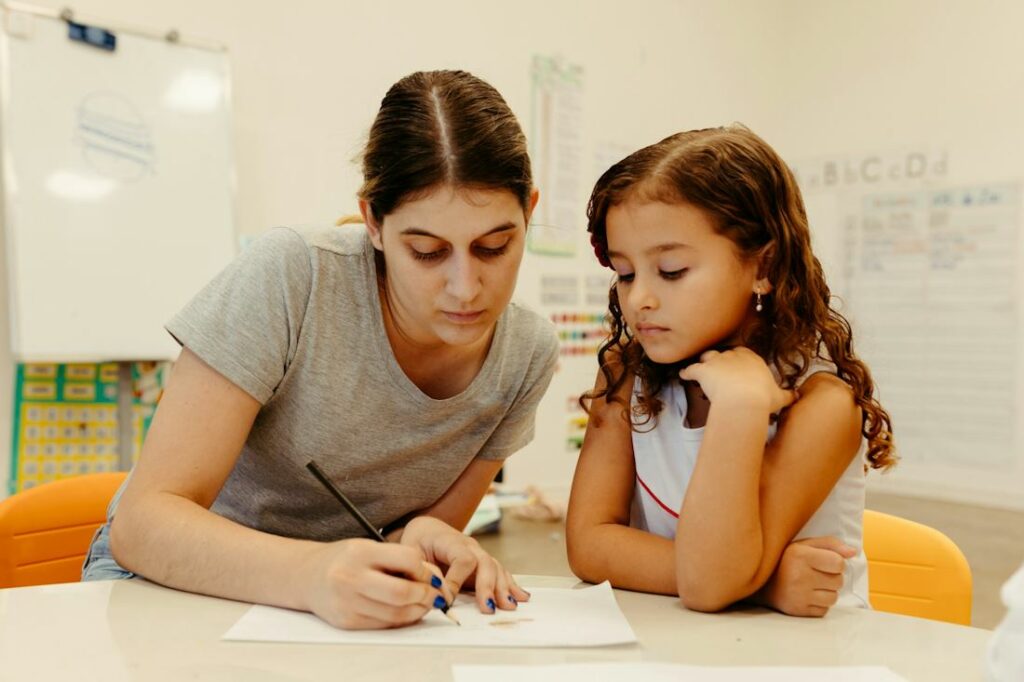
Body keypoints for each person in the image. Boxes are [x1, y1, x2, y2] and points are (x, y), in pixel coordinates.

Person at [82, 70, 559, 631]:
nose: (465, 287)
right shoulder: (295, 276)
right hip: (172, 580)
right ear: (373, 223)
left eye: (494, 247)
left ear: (529, 211)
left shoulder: (526, 353)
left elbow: (404, 550)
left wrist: (424, 540)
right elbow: (142, 525)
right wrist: (311, 572)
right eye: (427, 252)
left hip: (332, 609)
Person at [566, 125, 895, 617]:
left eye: (672, 271)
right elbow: (589, 546)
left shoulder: (822, 404)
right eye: (625, 273)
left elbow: (709, 586)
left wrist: (740, 407)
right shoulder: (626, 373)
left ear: (763, 266)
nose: (639, 299)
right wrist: (763, 584)